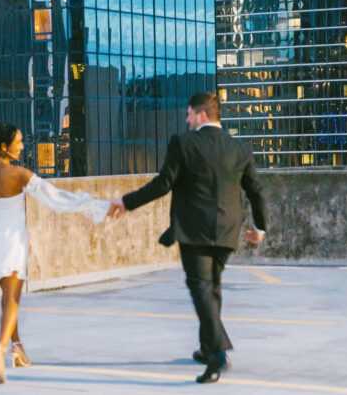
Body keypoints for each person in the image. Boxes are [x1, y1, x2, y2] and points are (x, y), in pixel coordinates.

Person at [108, 92, 267, 384]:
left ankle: (217, 353)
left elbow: (163, 183)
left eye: (189, 114)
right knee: (212, 287)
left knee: (201, 288)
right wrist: (260, 228)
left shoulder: (183, 143)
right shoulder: (239, 148)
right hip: (227, 230)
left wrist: (126, 202)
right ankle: (210, 347)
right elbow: (255, 191)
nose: (186, 119)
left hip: (194, 230)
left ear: (201, 115)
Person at [0, 122, 111, 384]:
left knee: (8, 297)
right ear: (4, 147)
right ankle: (0, 349)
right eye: (18, 142)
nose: (22, 145)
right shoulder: (18, 174)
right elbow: (55, 197)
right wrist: (90, 204)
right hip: (12, 243)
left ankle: (17, 348)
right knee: (12, 300)